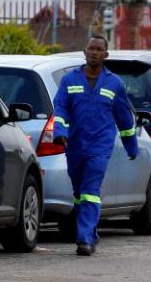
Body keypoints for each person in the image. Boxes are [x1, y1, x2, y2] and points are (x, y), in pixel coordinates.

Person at [52, 35, 140, 256]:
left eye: (99, 49)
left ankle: (84, 240)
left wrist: (131, 146)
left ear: (105, 55)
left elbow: (124, 118)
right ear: (84, 51)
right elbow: (60, 108)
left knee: (90, 191)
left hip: (100, 146)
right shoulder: (69, 80)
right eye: (91, 48)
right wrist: (60, 132)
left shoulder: (114, 83)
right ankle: (90, 232)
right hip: (75, 145)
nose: (94, 52)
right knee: (79, 192)